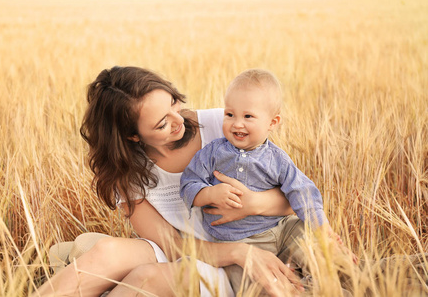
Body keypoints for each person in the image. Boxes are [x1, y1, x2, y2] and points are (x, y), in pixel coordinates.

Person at [34, 66, 303, 297]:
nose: (180, 121)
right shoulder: (127, 170)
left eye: (174, 103)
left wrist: (253, 204)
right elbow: (171, 244)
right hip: (184, 250)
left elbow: (294, 198)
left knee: (146, 277)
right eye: (162, 123)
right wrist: (237, 253)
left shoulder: (223, 124)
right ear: (133, 137)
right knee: (106, 252)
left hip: (241, 250)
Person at [180, 69, 347, 294]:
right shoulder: (213, 153)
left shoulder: (277, 158)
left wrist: (322, 229)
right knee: (252, 289)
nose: (237, 124)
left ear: (272, 122)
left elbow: (302, 191)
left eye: (248, 116)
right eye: (230, 114)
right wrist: (208, 194)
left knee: (322, 255)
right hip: (239, 242)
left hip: (282, 229)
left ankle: (335, 286)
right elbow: (188, 182)